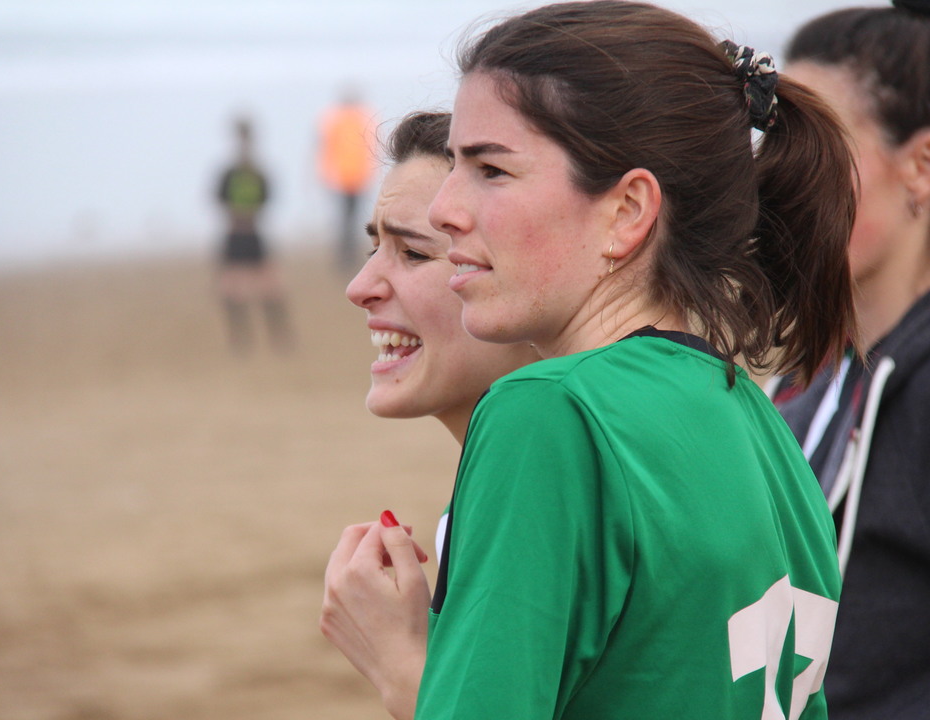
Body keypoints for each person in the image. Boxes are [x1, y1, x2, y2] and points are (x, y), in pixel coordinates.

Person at [323, 2, 861, 719]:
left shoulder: (549, 412)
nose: (447, 209)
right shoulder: (762, 425)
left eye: (491, 169)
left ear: (627, 211)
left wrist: (400, 669)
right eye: (456, 167)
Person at [767, 1, 930, 717]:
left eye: (818, 146)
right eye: (775, 141)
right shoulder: (807, 381)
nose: (778, 177)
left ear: (924, 166)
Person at [321, 111, 538, 711]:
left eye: (414, 253)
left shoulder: (543, 473)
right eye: (374, 248)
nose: (359, 286)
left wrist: (400, 669)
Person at [215, 116, 293, 353]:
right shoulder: (229, 173)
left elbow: (267, 199)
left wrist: (249, 216)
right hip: (234, 235)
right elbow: (219, 199)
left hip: (253, 234)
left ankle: (280, 337)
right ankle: (240, 338)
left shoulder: (258, 172)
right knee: (230, 290)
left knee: (271, 288)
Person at [318, 89, 378, 273]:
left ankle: (345, 256)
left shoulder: (335, 119)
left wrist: (327, 175)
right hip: (352, 179)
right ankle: (347, 256)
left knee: (346, 221)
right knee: (349, 220)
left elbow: (326, 148)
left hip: (346, 179)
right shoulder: (362, 119)